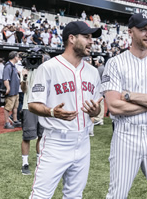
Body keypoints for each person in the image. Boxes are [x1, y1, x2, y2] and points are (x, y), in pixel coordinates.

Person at [101, 12, 147, 198]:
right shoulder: (115, 63)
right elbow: (115, 106)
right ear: (130, 32)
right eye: (143, 29)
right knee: (117, 194)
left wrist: (130, 96)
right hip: (126, 133)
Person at [28, 21, 103, 199]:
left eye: (91, 37)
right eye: (86, 37)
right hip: (56, 141)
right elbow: (33, 104)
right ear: (71, 38)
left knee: (75, 195)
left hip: (83, 139)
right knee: (40, 195)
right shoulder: (48, 68)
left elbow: (98, 106)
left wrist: (95, 111)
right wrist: (52, 112)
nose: (91, 41)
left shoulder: (92, 72)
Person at [20, 50, 50, 175]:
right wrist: (24, 77)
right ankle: (25, 163)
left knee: (41, 136)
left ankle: (39, 160)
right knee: (27, 136)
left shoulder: (47, 70)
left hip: (42, 106)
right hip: (29, 106)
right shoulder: (27, 70)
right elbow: (24, 89)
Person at [2, 51, 22, 129]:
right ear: (14, 57)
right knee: (8, 107)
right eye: (17, 56)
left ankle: (15, 120)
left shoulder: (13, 66)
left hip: (15, 90)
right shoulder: (8, 66)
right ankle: (7, 123)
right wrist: (8, 88)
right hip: (11, 91)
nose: (18, 58)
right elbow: (6, 79)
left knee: (15, 107)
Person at [93, 56, 105, 126]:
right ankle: (100, 119)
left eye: (96, 60)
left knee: (100, 103)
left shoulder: (100, 69)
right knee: (100, 103)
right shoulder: (102, 68)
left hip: (100, 88)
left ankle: (99, 119)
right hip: (101, 88)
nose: (95, 61)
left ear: (100, 61)